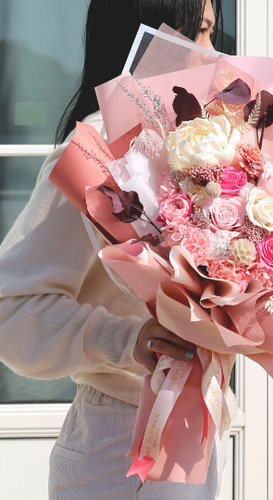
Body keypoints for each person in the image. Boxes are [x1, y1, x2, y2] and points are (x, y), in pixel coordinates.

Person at [0, 1, 229, 498]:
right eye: (201, 33)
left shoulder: (212, 152)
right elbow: (9, 310)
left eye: (213, 33)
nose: (216, 54)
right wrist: (127, 340)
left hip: (198, 434)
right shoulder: (95, 153)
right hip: (115, 443)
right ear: (144, 37)